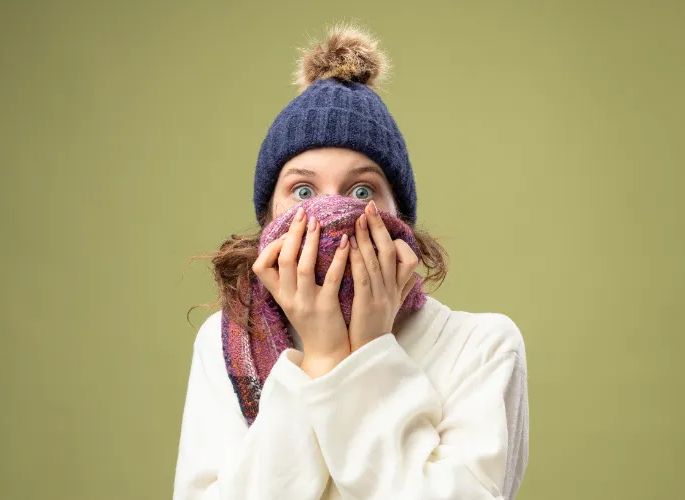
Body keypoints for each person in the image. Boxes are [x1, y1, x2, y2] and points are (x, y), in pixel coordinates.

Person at [173, 24, 529, 500]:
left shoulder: (482, 347)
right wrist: (319, 358)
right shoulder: (224, 343)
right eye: (302, 191)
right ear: (268, 219)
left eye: (362, 190)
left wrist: (369, 352)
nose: (329, 211)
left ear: (397, 215)